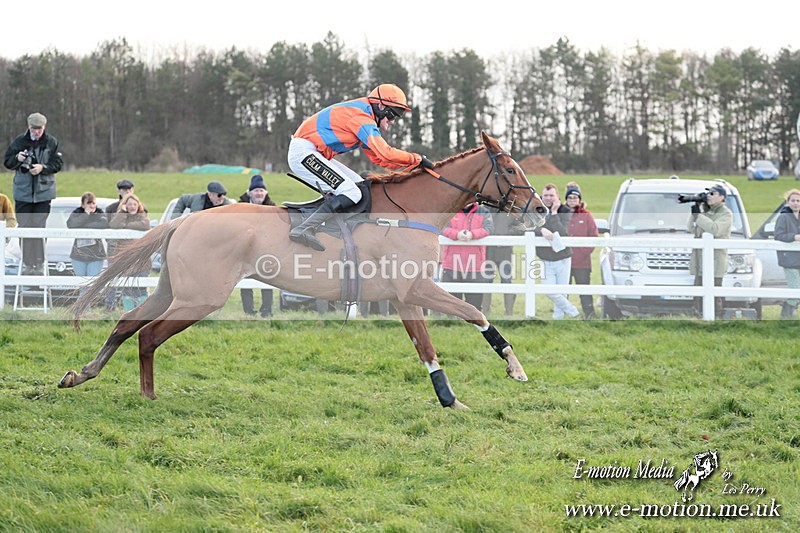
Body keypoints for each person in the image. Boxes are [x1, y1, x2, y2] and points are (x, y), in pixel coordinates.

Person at [287, 83, 432, 251]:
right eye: (393, 114)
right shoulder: (362, 118)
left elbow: (380, 159)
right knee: (351, 192)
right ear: (381, 106)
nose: (393, 121)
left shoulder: (366, 116)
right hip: (304, 152)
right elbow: (386, 153)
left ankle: (336, 228)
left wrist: (414, 166)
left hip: (314, 152)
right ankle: (304, 228)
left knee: (361, 187)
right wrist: (416, 159)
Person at [3, 112, 63, 274]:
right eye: (33, 128)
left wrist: (43, 168)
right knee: (25, 228)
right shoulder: (18, 142)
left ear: (44, 127)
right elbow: (7, 162)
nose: (36, 132)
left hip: (44, 193)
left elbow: (57, 164)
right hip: (23, 193)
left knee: (39, 228)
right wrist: (18, 158)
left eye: (39, 128)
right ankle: (28, 264)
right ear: (28, 127)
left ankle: (39, 262)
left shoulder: (51, 142)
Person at [534, 184, 580, 319]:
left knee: (561, 291)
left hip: (563, 258)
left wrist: (554, 214)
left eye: (551, 195)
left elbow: (562, 232)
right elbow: (527, 228)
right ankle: (573, 312)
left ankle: (557, 319)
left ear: (557, 197)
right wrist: (541, 230)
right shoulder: (536, 210)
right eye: (546, 195)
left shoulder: (565, 210)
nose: (548, 198)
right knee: (548, 290)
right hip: (544, 258)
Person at [687, 184, 732, 318]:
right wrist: (695, 211)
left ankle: (715, 319)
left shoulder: (726, 213)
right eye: (708, 193)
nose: (709, 196)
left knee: (714, 295)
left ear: (722, 197)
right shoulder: (706, 211)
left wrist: (699, 216)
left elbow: (715, 229)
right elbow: (690, 228)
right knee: (698, 294)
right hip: (699, 261)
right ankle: (699, 318)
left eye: (713, 194)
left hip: (715, 262)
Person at [440, 202, 494, 311]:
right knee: (452, 305)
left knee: (475, 305)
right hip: (451, 265)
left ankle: (474, 326)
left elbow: (489, 229)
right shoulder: (449, 209)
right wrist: (457, 234)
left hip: (475, 266)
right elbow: (442, 227)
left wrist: (472, 235)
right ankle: (453, 326)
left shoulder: (483, 212)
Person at [238, 175, 275, 317]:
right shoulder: (241, 206)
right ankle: (249, 311)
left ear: (265, 193)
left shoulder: (271, 207)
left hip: (266, 249)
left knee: (268, 279)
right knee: (245, 279)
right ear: (250, 193)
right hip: (245, 250)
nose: (259, 193)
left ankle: (267, 310)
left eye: (261, 190)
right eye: (256, 191)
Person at [109, 193, 151, 311]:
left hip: (141, 260)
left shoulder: (142, 216)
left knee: (141, 288)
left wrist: (127, 225)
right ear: (125, 206)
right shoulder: (121, 216)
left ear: (138, 205)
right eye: (129, 204)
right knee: (127, 289)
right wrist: (122, 213)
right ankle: (129, 313)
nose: (132, 206)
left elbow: (145, 225)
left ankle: (142, 313)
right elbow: (115, 225)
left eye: (134, 204)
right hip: (126, 259)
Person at [564, 183, 599, 318]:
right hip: (565, 261)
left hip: (582, 263)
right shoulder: (562, 214)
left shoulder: (586, 216)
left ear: (579, 199)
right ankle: (564, 315)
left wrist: (584, 252)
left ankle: (589, 314)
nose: (572, 200)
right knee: (564, 291)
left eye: (575, 197)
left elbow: (594, 235)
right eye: (570, 197)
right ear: (566, 199)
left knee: (584, 289)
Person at [481, 208, 521, 316]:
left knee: (506, 280)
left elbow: (521, 228)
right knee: (486, 280)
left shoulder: (511, 211)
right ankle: (485, 311)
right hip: (489, 251)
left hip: (505, 251)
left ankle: (509, 312)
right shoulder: (486, 209)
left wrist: (506, 232)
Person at [66, 192, 108, 290]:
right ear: (83, 204)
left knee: (92, 285)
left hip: (96, 255)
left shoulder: (100, 212)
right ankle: (84, 305)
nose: (91, 206)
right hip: (78, 255)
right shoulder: (77, 212)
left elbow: (104, 224)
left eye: (93, 203)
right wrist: (86, 215)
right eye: (88, 203)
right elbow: (71, 224)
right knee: (82, 285)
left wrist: (83, 226)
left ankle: (84, 304)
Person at [774, 188, 800, 319]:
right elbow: (778, 235)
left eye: (798, 201)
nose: (796, 203)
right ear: (788, 202)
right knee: (795, 289)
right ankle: (786, 316)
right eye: (793, 200)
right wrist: (794, 237)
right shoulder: (783, 217)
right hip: (790, 260)